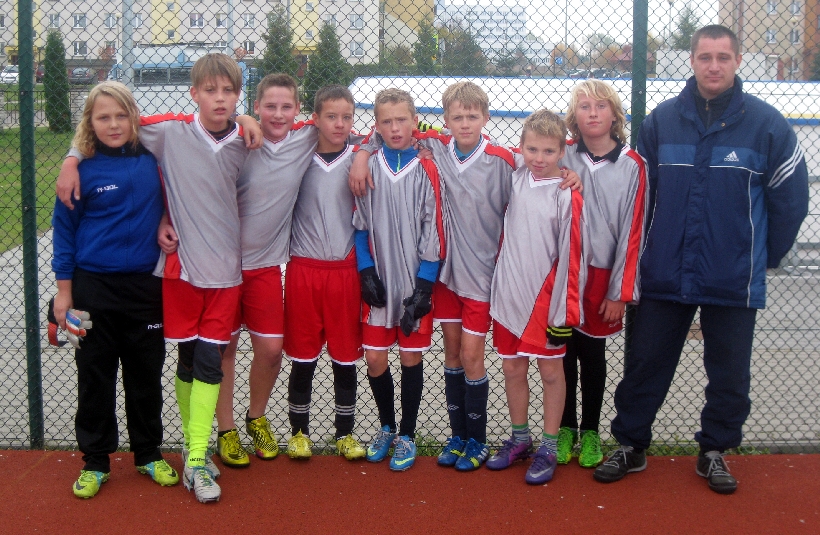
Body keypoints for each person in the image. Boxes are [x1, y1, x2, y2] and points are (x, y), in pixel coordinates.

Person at [593, 25, 809, 494]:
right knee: (645, 364)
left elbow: (790, 200)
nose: (714, 66)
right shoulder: (661, 122)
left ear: (737, 61)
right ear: (691, 60)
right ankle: (631, 444)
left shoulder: (768, 125)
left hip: (732, 275)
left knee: (729, 374)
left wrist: (761, 257)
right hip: (663, 272)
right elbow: (639, 198)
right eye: (705, 57)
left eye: (723, 57)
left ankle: (715, 450)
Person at [59, 53, 262, 503]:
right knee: (115, 371)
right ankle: (108, 460)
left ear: (238, 95)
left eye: (228, 91)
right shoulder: (167, 133)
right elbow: (113, 125)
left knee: (176, 369)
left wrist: (248, 117)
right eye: (210, 90)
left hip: (208, 276)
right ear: (194, 94)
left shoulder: (244, 140)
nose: (219, 98)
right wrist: (72, 159)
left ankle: (180, 456)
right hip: (158, 276)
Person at [51, 81, 179, 499]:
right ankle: (95, 460)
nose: (113, 124)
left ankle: (148, 453)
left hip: (145, 288)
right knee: (94, 376)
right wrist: (64, 293)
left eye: (121, 115)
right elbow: (64, 235)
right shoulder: (80, 171)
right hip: (92, 288)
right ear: (90, 122)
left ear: (134, 117)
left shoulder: (154, 159)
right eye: (103, 117)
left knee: (145, 377)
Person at [206, 73, 320, 467]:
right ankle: (226, 431)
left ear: (298, 110)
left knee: (271, 351)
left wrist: (360, 156)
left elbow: (356, 133)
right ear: (256, 107)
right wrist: (239, 119)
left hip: (265, 267)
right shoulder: (237, 138)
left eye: (286, 106)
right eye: (270, 106)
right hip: (222, 268)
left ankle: (256, 417)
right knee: (224, 350)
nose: (278, 114)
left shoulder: (306, 138)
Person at [486, 109, 585, 485]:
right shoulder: (515, 173)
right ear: (521, 147)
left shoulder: (567, 193)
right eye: (532, 150)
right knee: (513, 369)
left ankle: (549, 445)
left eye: (548, 151)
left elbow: (572, 258)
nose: (539, 158)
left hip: (545, 302)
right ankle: (520, 438)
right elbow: (478, 142)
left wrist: (563, 313)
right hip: (509, 294)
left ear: (562, 151)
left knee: (550, 372)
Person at [556, 80, 647, 468]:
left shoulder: (632, 165)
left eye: (600, 106)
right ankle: (564, 429)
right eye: (583, 106)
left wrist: (619, 291)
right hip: (563, 274)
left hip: (601, 276)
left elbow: (633, 232)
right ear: (573, 116)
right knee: (562, 353)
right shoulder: (561, 154)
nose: (592, 113)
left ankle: (590, 431)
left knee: (592, 354)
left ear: (614, 114)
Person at [352, 88, 443, 471]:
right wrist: (364, 270)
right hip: (379, 279)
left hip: (412, 281)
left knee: (409, 356)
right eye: (386, 121)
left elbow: (433, 229)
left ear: (414, 120)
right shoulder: (368, 164)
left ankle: (407, 433)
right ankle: (387, 426)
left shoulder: (427, 165)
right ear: (377, 125)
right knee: (374, 357)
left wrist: (424, 286)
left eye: (401, 120)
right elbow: (360, 224)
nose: (394, 128)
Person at [284, 85, 367, 461]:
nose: (339, 124)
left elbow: (393, 133)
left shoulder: (360, 153)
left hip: (344, 272)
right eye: (331, 116)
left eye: (346, 117)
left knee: (344, 359)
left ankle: (344, 434)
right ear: (315, 118)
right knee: (303, 358)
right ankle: (298, 433)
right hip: (304, 269)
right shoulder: (297, 152)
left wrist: (363, 151)